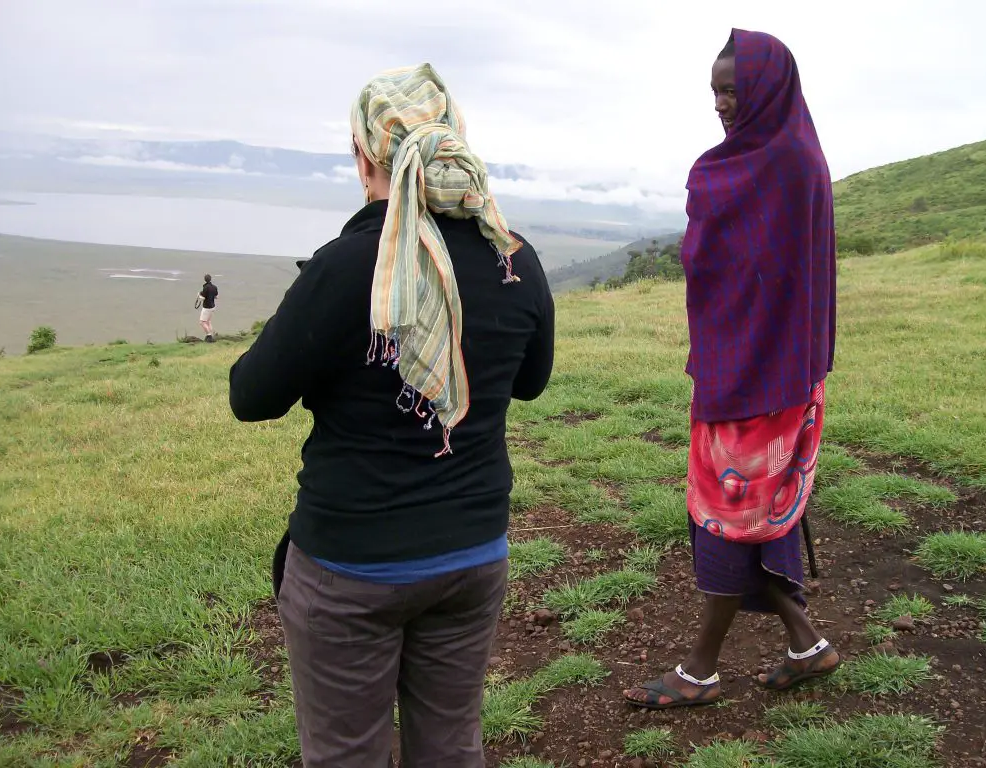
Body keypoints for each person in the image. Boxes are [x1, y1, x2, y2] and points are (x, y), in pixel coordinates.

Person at [229, 63, 554, 767]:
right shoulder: (513, 258)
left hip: (352, 569)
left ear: (362, 155)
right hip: (473, 555)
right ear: (453, 140)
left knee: (348, 754)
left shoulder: (346, 268)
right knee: (451, 747)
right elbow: (531, 382)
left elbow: (250, 396)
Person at [624, 29, 838, 709]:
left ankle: (699, 671)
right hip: (777, 370)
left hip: (757, 380)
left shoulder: (779, 164)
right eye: (715, 91)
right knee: (759, 514)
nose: (720, 103)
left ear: (767, 88)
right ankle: (807, 645)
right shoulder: (791, 156)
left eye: (732, 91)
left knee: (728, 516)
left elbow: (739, 263)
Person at [197, 274, 218, 342]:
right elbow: (216, 297)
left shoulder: (205, 287)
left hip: (207, 307)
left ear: (205, 279)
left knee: (202, 322)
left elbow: (203, 298)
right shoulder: (214, 287)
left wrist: (198, 295)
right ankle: (211, 334)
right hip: (212, 307)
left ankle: (209, 335)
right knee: (208, 321)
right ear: (210, 279)